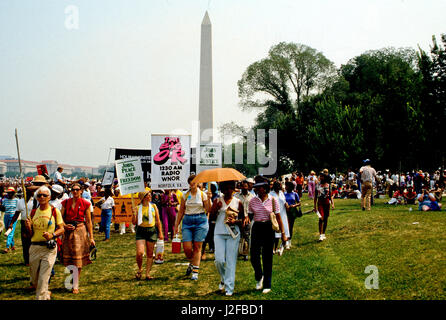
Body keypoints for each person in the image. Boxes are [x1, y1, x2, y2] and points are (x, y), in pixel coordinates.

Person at [248, 176, 287, 294]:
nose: (256, 190)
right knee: (254, 255)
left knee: (267, 257)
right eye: (256, 188)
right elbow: (249, 217)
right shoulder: (253, 201)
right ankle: (259, 276)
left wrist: (283, 234)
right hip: (257, 227)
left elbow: (279, 218)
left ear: (264, 188)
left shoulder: (273, 200)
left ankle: (267, 284)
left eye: (259, 188)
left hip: (268, 228)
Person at [26, 186, 65, 300]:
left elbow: (62, 228)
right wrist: (28, 227)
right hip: (34, 247)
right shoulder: (33, 212)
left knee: (44, 277)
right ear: (36, 198)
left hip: (49, 248)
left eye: (44, 195)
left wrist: (52, 235)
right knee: (35, 278)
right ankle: (45, 292)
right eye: (39, 195)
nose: (42, 197)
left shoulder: (54, 211)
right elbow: (30, 235)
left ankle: (41, 297)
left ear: (49, 197)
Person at [209, 180, 244, 296]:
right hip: (219, 232)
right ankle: (224, 278)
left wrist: (236, 221)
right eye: (226, 188)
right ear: (222, 189)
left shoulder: (238, 202)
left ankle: (229, 288)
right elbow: (211, 218)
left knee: (231, 261)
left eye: (231, 188)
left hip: (233, 234)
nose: (229, 191)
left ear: (234, 189)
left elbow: (243, 220)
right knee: (219, 260)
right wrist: (216, 209)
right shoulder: (217, 201)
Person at [174, 175, 212, 281]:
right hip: (187, 221)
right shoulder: (185, 195)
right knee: (187, 248)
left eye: (195, 182)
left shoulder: (203, 195)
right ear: (189, 184)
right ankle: (191, 261)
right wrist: (176, 225)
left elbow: (208, 209)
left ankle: (195, 271)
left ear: (198, 183)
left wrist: (209, 199)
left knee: (197, 247)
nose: (193, 184)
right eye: (191, 183)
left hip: (200, 220)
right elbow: (181, 211)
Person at [60, 183, 95, 294]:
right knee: (69, 258)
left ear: (81, 191)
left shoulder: (86, 203)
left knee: (77, 258)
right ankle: (73, 278)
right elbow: (60, 218)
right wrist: (65, 226)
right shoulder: (65, 202)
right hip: (68, 231)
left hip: (80, 230)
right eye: (73, 190)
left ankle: (75, 284)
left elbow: (89, 221)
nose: (75, 192)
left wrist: (91, 237)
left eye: (77, 190)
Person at [132, 190, 163, 280]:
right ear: (143, 197)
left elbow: (157, 220)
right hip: (140, 230)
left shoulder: (154, 206)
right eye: (148, 195)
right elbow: (134, 222)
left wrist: (160, 232)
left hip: (151, 230)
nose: (150, 196)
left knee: (150, 254)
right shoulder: (138, 208)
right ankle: (140, 268)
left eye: (150, 195)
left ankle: (147, 274)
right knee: (140, 253)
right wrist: (134, 214)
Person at [235, 180, 254, 260]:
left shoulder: (252, 196)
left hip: (249, 218)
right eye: (243, 186)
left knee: (247, 235)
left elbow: (253, 209)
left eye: (246, 186)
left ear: (248, 187)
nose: (244, 188)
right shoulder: (236, 196)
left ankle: (245, 252)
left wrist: (248, 218)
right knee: (238, 235)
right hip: (239, 218)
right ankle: (238, 251)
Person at [270, 181, 289, 256]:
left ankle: (282, 246)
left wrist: (286, 204)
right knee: (276, 231)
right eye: (279, 185)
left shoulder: (281, 193)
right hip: (276, 214)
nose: (280, 187)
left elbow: (284, 201)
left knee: (284, 229)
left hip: (283, 213)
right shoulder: (271, 194)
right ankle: (274, 248)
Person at [314, 172, 333, 241]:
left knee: (326, 218)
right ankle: (320, 234)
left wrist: (332, 204)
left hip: (327, 203)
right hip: (320, 203)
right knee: (321, 218)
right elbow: (315, 196)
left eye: (322, 176)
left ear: (325, 177)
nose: (321, 178)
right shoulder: (317, 185)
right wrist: (314, 206)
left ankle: (323, 233)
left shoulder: (328, 185)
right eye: (320, 176)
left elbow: (330, 195)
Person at [202, 183, 219, 260]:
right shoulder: (204, 195)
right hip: (203, 218)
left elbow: (211, 209)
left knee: (212, 233)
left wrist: (209, 199)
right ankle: (203, 251)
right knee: (205, 236)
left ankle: (212, 247)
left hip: (211, 218)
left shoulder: (216, 196)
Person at [284, 181, 300, 249]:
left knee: (290, 226)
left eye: (286, 186)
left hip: (292, 211)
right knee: (286, 226)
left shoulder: (295, 194)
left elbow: (299, 203)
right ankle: (286, 241)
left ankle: (289, 240)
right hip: (285, 211)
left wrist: (294, 205)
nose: (285, 187)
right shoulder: (284, 194)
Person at [2, 187, 19, 253]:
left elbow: (17, 210)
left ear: (13, 193)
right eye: (8, 193)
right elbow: (3, 209)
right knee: (8, 230)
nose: (9, 194)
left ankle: (7, 247)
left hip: (13, 217)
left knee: (10, 231)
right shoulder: (5, 200)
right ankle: (13, 245)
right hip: (6, 216)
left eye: (11, 193)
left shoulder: (16, 200)